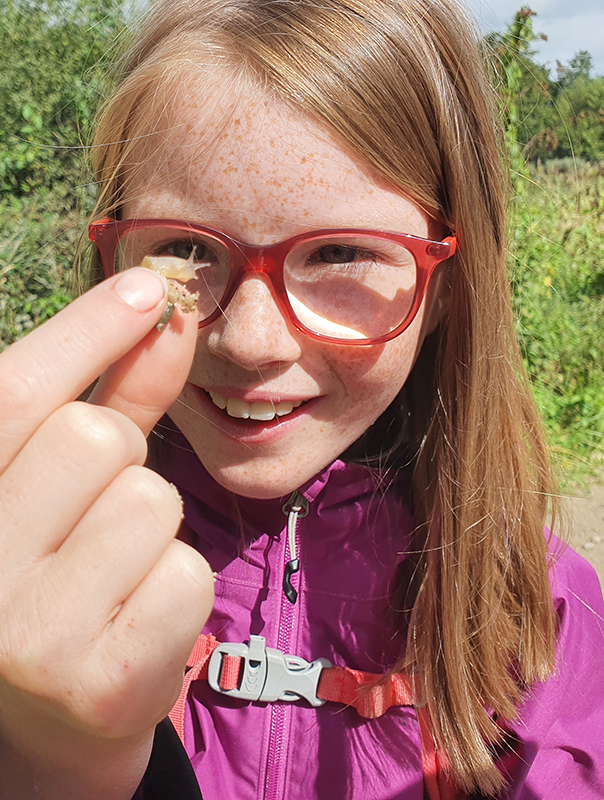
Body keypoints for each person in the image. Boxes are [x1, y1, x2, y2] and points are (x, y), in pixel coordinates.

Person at [0, 0, 603, 797]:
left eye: (344, 252)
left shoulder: (541, 612)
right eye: (184, 249)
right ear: (117, 256)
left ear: (450, 288)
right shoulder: (28, 568)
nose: (252, 342)